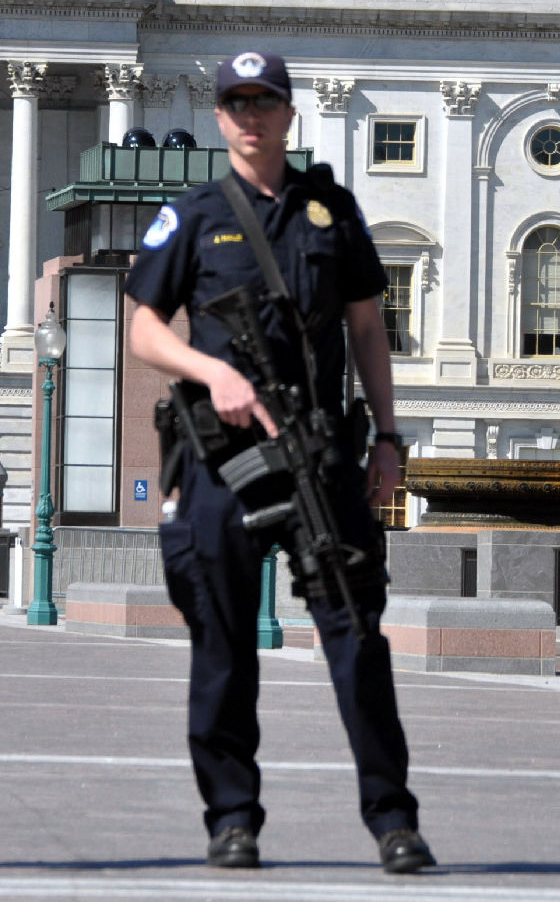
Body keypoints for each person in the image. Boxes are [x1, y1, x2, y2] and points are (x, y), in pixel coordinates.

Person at [124, 49, 435, 875]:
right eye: (236, 103)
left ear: (289, 114)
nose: (251, 116)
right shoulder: (192, 215)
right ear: (220, 116)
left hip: (319, 450)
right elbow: (144, 327)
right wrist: (211, 369)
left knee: (357, 635)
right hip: (222, 456)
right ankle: (232, 817)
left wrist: (388, 437)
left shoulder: (330, 212)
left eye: (265, 102)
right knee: (221, 640)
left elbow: (368, 327)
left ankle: (393, 818)